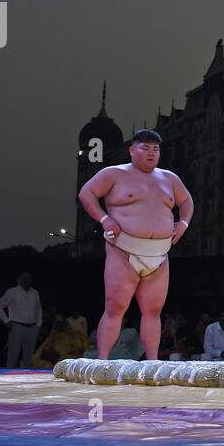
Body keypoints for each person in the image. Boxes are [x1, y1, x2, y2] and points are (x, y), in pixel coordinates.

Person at [78, 128, 193, 361]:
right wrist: (104, 219)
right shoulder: (114, 174)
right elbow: (86, 193)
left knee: (153, 311)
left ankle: (151, 362)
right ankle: (102, 361)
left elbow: (186, 200)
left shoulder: (170, 178)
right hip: (123, 251)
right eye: (146, 148)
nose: (152, 153)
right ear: (132, 150)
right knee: (115, 308)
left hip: (159, 255)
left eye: (156, 149)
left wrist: (183, 223)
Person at [0, 272, 42, 368]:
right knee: (13, 354)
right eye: (24, 278)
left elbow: (39, 309)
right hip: (16, 326)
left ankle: (27, 378)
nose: (27, 280)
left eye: (29, 278)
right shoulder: (12, 292)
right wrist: (6, 320)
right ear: (19, 279)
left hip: (32, 327)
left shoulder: (35, 293)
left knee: (29, 356)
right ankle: (9, 376)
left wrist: (38, 324)